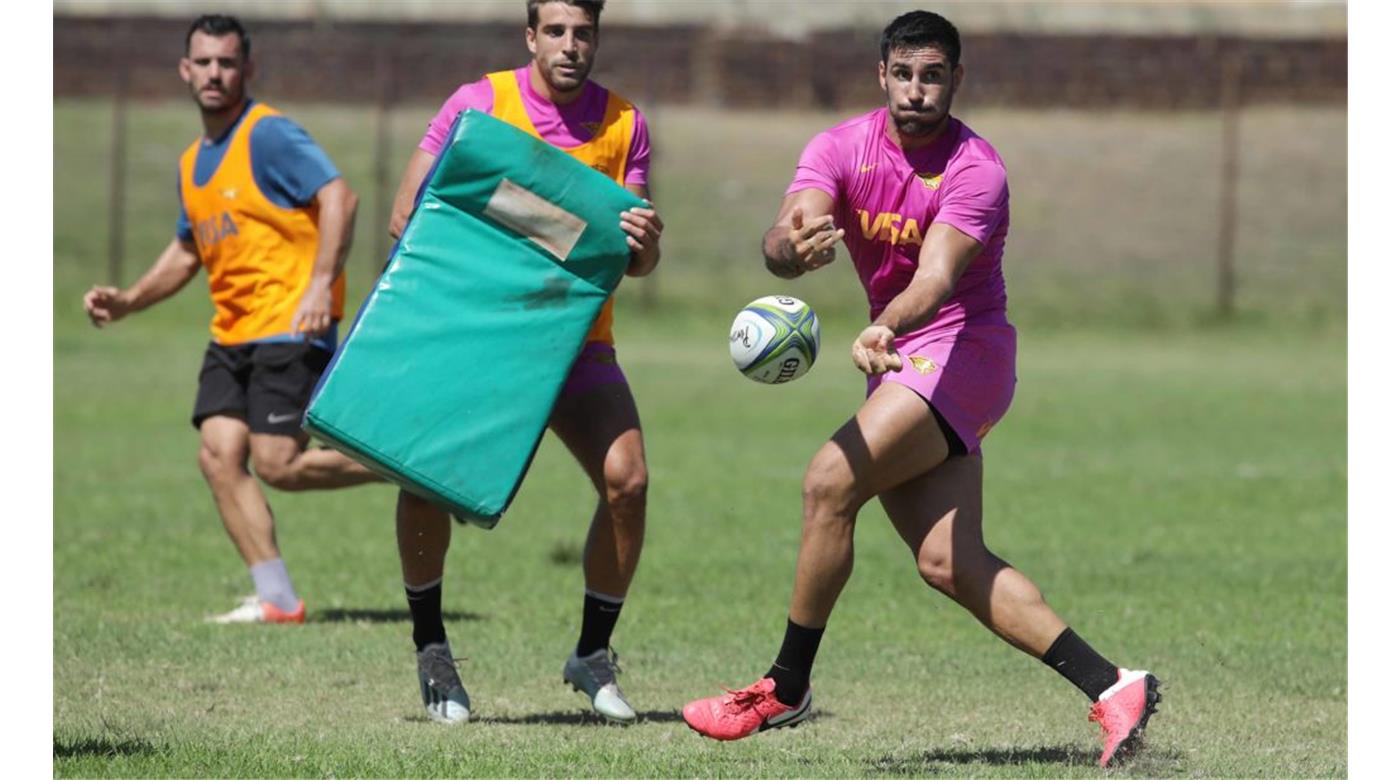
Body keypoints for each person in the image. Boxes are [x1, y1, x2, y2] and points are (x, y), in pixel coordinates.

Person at [681, 11, 1159, 768]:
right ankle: (1113, 686)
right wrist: (787, 251)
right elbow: (788, 228)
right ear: (882, 75)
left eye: (932, 76)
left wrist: (885, 327)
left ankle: (785, 686)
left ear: (955, 80)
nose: (916, 91)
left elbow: (935, 280)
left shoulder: (977, 168)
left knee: (828, 480)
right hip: (906, 358)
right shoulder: (841, 147)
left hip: (964, 350)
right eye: (903, 74)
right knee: (950, 562)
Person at [386, 0, 663, 724]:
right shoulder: (478, 104)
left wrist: (646, 243)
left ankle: (593, 656)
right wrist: (552, 223)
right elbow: (407, 213)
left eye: (586, 33)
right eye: (559, 32)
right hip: (479, 336)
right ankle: (432, 650)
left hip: (575, 342)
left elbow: (629, 261)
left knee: (627, 482)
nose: (573, 46)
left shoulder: (625, 123)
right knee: (428, 482)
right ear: (531, 35)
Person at [82, 14, 380, 625]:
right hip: (232, 334)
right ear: (185, 70)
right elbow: (189, 247)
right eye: (204, 62)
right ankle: (276, 599)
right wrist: (131, 299)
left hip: (289, 325)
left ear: (247, 68)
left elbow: (338, 198)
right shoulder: (194, 161)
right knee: (218, 455)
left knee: (277, 464)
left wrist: (321, 283)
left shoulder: (267, 136)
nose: (215, 73)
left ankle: (406, 471)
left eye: (227, 62)